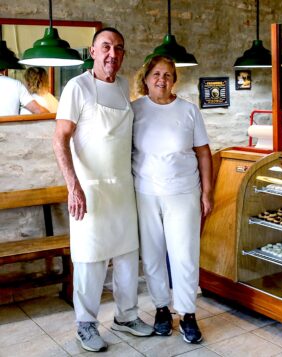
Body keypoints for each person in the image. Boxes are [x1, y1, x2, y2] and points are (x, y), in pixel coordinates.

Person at [52, 27, 154, 353]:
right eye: (106, 47)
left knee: (126, 256)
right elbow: (60, 139)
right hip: (89, 189)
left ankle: (127, 316)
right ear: (93, 51)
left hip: (123, 187)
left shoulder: (125, 87)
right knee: (89, 259)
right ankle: (86, 324)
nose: (113, 54)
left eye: (119, 48)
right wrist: (73, 187)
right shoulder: (76, 87)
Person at [131, 55, 213, 344]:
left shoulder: (188, 111)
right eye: (156, 74)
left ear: (174, 80)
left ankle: (188, 313)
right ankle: (162, 309)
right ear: (146, 78)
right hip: (145, 192)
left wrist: (207, 193)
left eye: (167, 75)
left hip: (183, 193)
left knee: (184, 255)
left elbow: (204, 153)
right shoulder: (135, 110)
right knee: (152, 255)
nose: (161, 80)